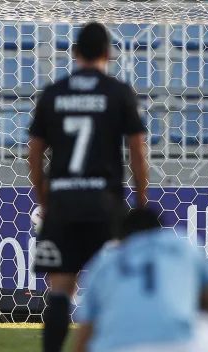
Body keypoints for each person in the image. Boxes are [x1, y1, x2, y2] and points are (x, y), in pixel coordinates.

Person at [28, 22, 148, 352]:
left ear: (75, 53)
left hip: (63, 203)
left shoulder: (54, 93)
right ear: (108, 54)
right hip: (105, 205)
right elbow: (137, 149)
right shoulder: (119, 92)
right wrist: (140, 201)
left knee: (60, 291)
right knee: (114, 289)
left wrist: (44, 197)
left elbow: (34, 152)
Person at [73, 208, 208, 352]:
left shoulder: (103, 263)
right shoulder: (182, 244)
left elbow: (84, 335)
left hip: (117, 347)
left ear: (120, 239)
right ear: (160, 230)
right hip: (177, 344)